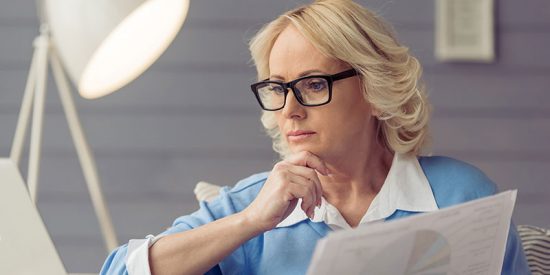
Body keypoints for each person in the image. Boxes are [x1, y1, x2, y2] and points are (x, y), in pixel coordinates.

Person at [100, 0, 530, 274]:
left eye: (312, 84)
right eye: (277, 88)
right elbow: (122, 271)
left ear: (375, 90)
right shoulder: (253, 207)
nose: (289, 108)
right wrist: (251, 222)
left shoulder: (464, 195)